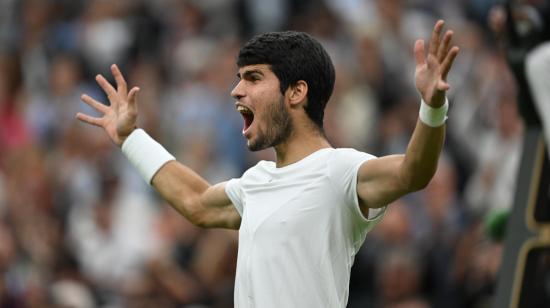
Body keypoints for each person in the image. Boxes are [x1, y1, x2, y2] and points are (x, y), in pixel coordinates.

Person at [76, 20, 459, 308]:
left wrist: (432, 106)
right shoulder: (255, 182)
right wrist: (131, 138)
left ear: (297, 92)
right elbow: (195, 201)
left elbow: (414, 171)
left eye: (253, 78)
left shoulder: (341, 170)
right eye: (238, 79)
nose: (236, 90)